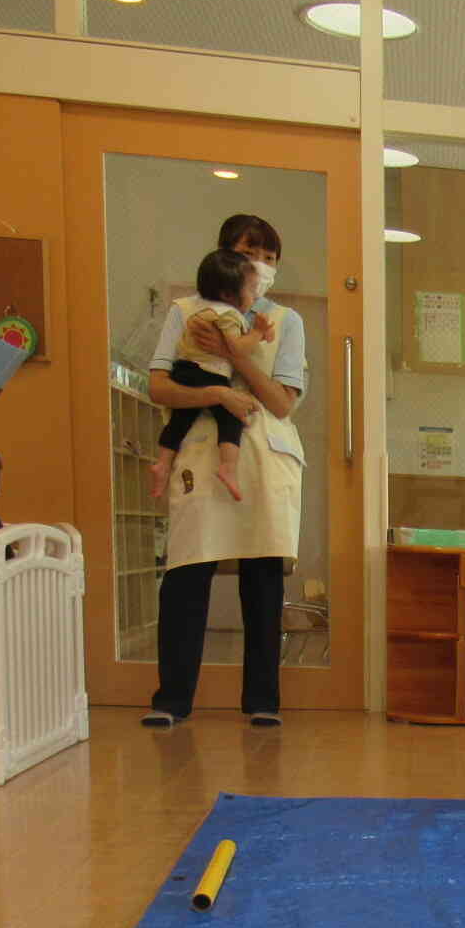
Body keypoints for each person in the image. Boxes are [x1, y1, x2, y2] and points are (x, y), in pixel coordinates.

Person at [144, 213, 306, 729]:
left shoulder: (286, 322)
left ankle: (263, 700)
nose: (259, 266)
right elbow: (159, 387)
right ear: (224, 258)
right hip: (199, 450)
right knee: (188, 571)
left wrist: (238, 352)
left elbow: (281, 403)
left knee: (263, 580)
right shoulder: (185, 311)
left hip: (264, 451)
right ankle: (172, 700)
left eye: (269, 258)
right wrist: (215, 392)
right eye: (249, 254)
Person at [149, 249, 266, 503]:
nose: (255, 295)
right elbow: (237, 349)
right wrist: (257, 333)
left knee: (178, 421)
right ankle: (228, 466)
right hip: (210, 375)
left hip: (184, 371)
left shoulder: (194, 309)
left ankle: (162, 464)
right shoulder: (229, 314)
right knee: (232, 418)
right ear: (228, 294)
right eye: (251, 290)